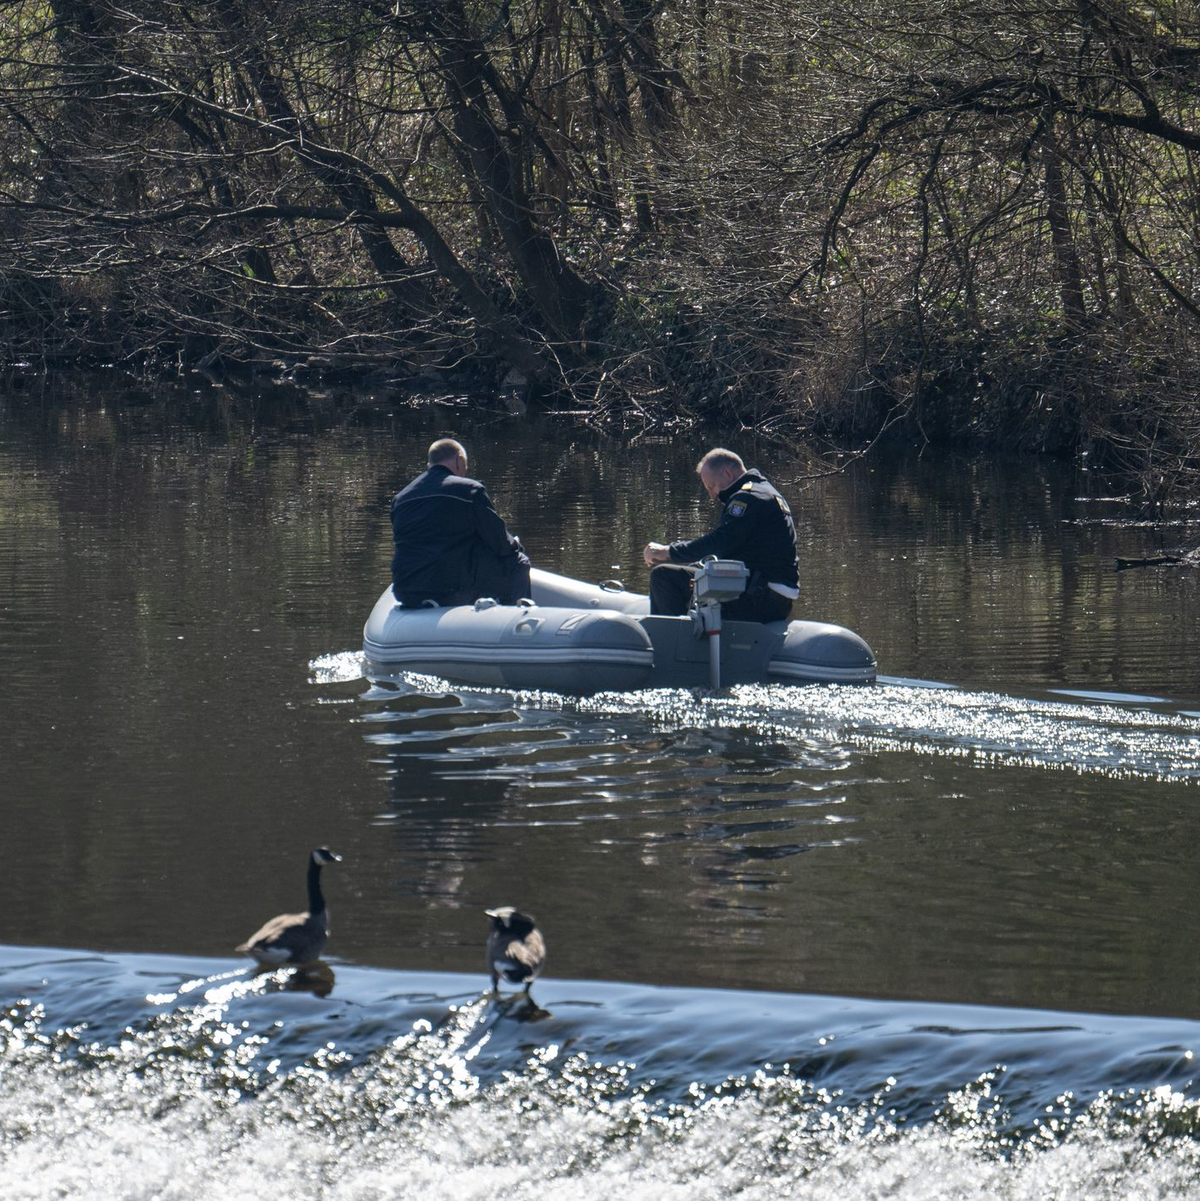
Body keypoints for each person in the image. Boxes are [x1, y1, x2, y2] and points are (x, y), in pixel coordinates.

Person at [642, 448, 799, 622]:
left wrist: (668, 552)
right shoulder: (765, 492)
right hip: (774, 598)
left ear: (727, 473)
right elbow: (735, 549)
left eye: (712, 487)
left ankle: (672, 644)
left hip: (759, 599)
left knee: (663, 576)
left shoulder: (747, 498)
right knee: (695, 574)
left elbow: (719, 542)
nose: (712, 496)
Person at [391, 438, 531, 607]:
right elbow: (500, 542)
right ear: (459, 461)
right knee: (518, 562)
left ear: (430, 464)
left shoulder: (400, 499)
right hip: (451, 589)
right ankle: (516, 620)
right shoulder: (470, 490)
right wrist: (515, 545)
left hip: (406, 589)